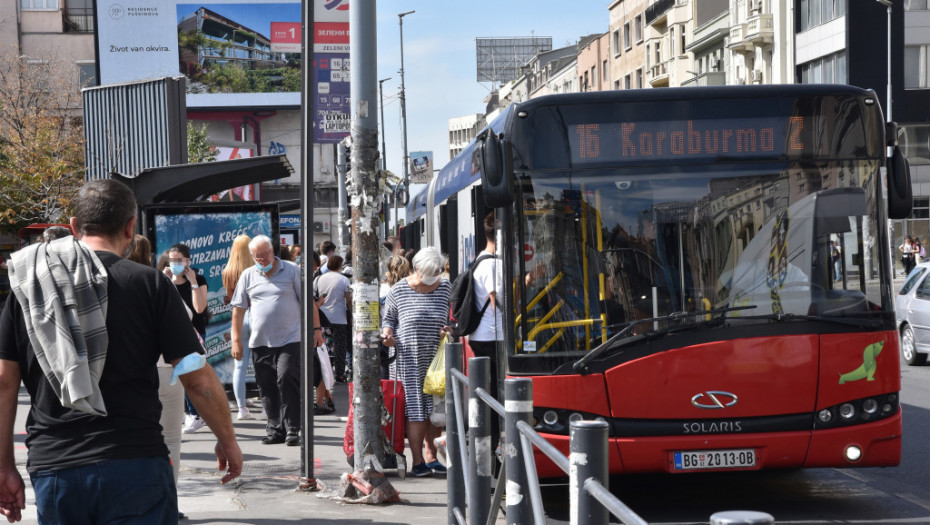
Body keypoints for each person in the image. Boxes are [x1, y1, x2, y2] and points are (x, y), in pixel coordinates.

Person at [0, 179, 241, 524]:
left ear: (73, 227)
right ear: (131, 226)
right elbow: (197, 377)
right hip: (134, 461)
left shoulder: (30, 289)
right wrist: (227, 440)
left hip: (57, 465)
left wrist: (4, 467)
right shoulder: (150, 283)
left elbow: (4, 383)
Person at [127, 233, 187, 519]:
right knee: (172, 440)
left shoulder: (114, 282)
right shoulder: (158, 283)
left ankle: (137, 502)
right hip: (169, 373)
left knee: (131, 440)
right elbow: (186, 316)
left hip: (133, 376)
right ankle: (170, 503)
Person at [230, 235, 308, 446]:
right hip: (260, 341)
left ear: (273, 252)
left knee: (286, 379)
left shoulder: (292, 270)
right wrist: (236, 340)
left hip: (290, 338)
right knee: (267, 387)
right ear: (251, 256)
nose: (262, 259)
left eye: (265, 254)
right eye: (257, 256)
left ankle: (292, 429)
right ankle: (275, 429)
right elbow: (238, 310)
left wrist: (315, 331)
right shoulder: (247, 275)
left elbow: (307, 304)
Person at [381, 246, 451, 477]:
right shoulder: (400, 290)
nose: (432, 277)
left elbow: (453, 319)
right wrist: (387, 335)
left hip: (436, 359)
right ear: (416, 268)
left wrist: (450, 331)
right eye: (428, 272)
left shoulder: (445, 288)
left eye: (436, 272)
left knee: (436, 409)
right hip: (408, 359)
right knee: (416, 409)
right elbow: (388, 319)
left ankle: (431, 456)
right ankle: (418, 460)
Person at [164, 243, 211, 434]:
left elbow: (199, 308)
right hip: (171, 332)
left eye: (179, 260)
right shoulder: (165, 279)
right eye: (172, 260)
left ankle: (196, 414)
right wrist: (166, 281)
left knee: (191, 373)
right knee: (175, 375)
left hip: (195, 334)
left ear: (188, 261)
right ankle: (185, 412)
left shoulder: (199, 278)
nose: (175, 264)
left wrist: (192, 282)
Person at [468, 213, 503, 441]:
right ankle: (491, 439)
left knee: (489, 389)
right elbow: (497, 301)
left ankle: (486, 437)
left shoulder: (481, 259)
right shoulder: (490, 264)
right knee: (493, 391)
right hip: (491, 335)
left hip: (484, 334)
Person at [223, 235, 256, 421]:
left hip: (239, 318)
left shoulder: (228, 271)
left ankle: (242, 408)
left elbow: (231, 301)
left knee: (239, 366)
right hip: (257, 315)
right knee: (262, 364)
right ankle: (267, 409)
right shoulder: (254, 270)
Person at [315, 255, 352, 382]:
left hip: (322, 317)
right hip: (339, 317)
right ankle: (340, 374)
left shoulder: (319, 279)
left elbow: (314, 297)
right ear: (340, 265)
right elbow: (349, 299)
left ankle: (327, 372)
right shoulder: (344, 280)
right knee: (340, 347)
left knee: (325, 346)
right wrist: (352, 315)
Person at [380, 255, 412, 379]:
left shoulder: (382, 287)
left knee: (387, 370)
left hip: (386, 333)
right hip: (406, 334)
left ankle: (389, 397)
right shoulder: (410, 286)